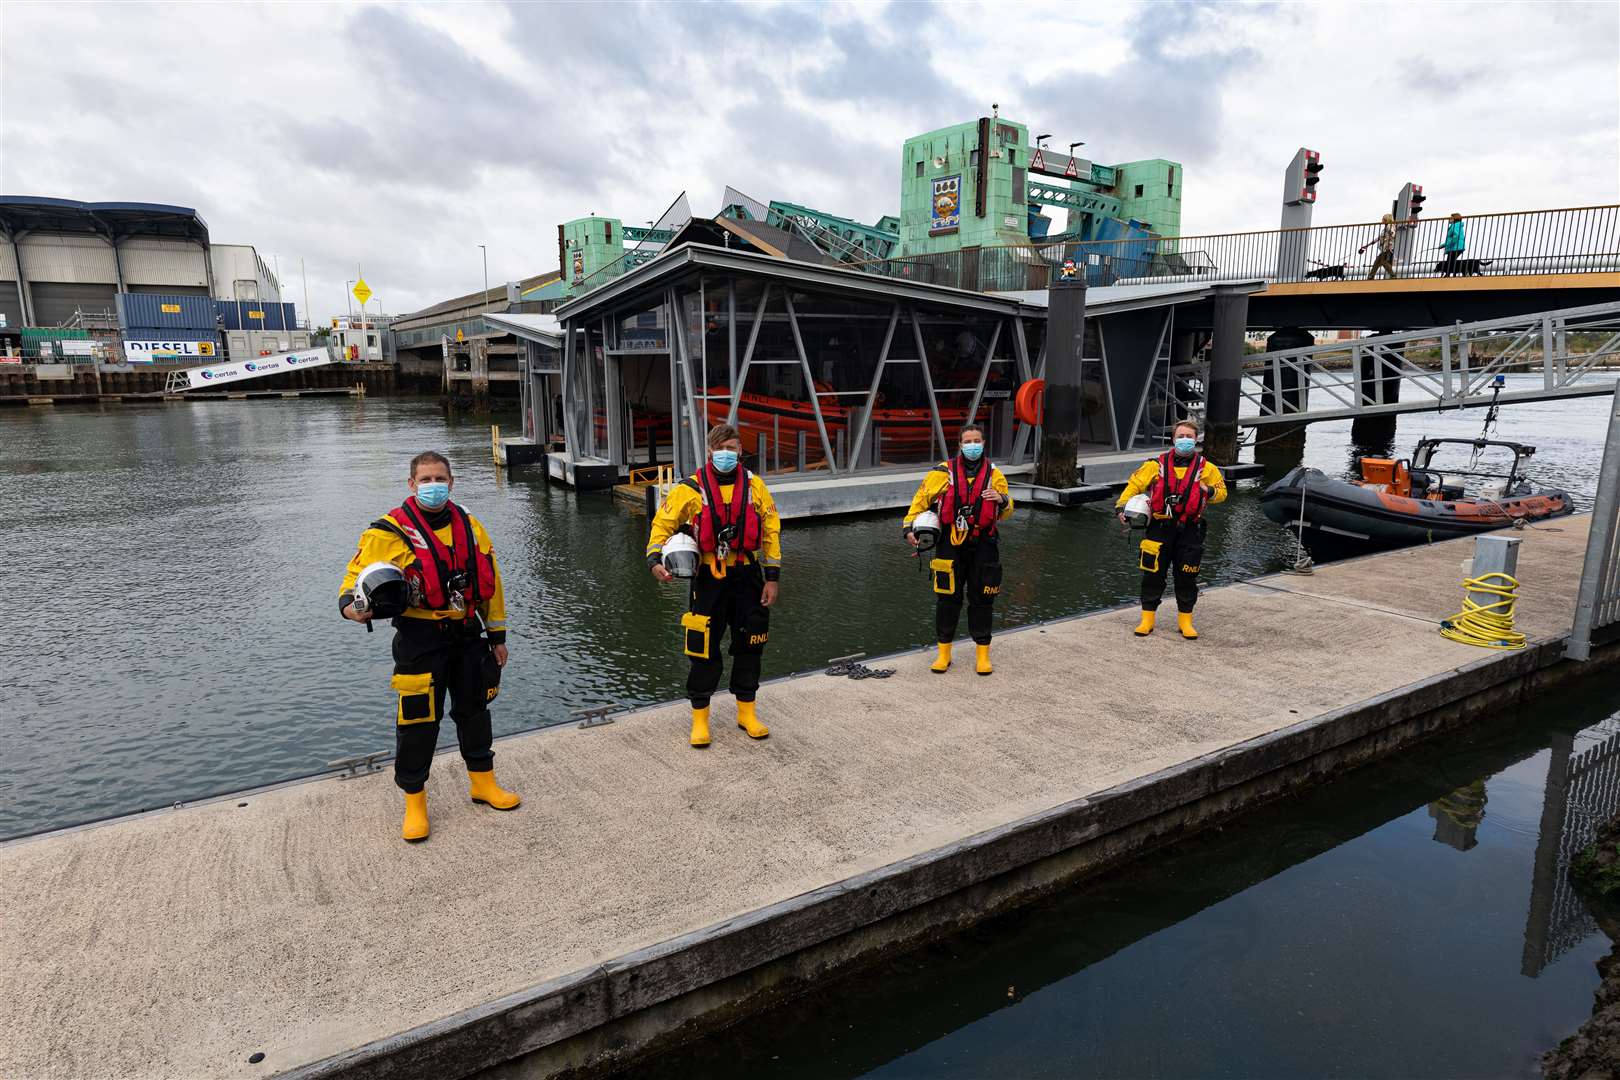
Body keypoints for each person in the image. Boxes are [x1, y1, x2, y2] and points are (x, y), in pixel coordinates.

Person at [339, 451, 517, 842]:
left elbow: (493, 584)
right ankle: (415, 801)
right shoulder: (387, 532)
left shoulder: (471, 526)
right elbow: (353, 581)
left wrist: (498, 637)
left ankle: (483, 783)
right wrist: (351, 609)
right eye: (425, 479)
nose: (433, 486)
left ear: (451, 483)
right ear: (411, 484)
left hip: (468, 635)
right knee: (418, 721)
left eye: (440, 479)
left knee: (475, 712)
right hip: (420, 640)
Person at [646, 424, 781, 748]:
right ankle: (700, 719)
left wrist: (772, 578)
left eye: (733, 448)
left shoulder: (755, 486)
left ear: (740, 450)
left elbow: (771, 532)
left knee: (751, 644)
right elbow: (661, 524)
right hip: (707, 580)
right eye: (721, 449)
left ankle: (746, 712)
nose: (727, 454)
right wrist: (654, 560)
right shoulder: (688, 489)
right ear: (709, 451)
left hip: (747, 576)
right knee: (703, 648)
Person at [903, 423, 1014, 676]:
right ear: (960, 445)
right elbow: (919, 501)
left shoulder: (995, 475)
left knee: (983, 599)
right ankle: (944, 654)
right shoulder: (941, 473)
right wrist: (908, 527)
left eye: (977, 440)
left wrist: (1002, 499)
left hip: (984, 545)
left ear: (983, 443)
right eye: (968, 441)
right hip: (949, 545)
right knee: (947, 600)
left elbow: (1007, 511)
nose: (973, 445)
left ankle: (982, 654)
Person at [1115, 420, 1227, 639]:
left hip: (1190, 530)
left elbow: (1222, 493)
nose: (1185, 440)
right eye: (1181, 436)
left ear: (1196, 440)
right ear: (1173, 439)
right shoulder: (1154, 465)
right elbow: (1134, 485)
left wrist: (1209, 489)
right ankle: (1147, 619)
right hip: (1159, 528)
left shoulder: (1207, 468)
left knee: (1187, 576)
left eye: (1189, 437)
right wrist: (1122, 507)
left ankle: (1185, 622)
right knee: (1152, 574)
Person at [1358, 213, 1399, 279]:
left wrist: (1388, 242)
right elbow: (1379, 237)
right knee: (1377, 262)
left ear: (1386, 219)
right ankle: (1371, 276)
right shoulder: (1386, 227)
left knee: (1383, 262)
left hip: (1387, 248)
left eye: (1383, 219)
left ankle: (1393, 275)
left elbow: (1393, 234)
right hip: (1384, 248)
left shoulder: (1389, 226)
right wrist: (1367, 245)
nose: (1381, 220)